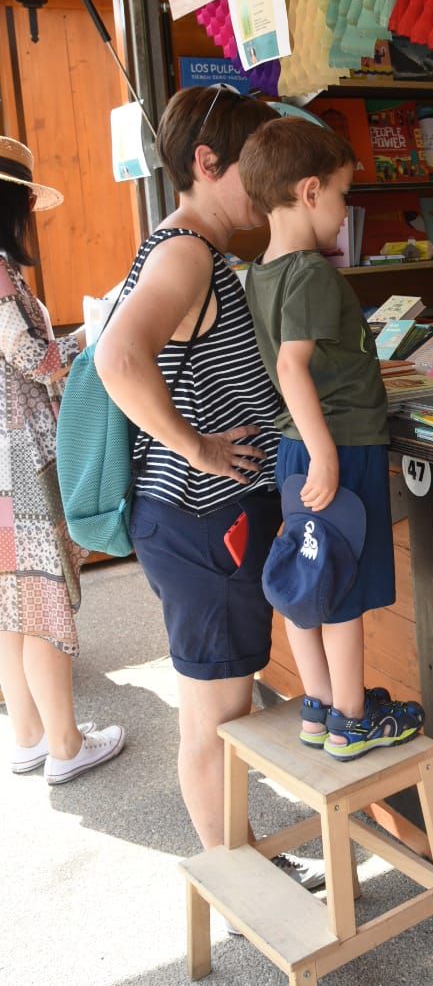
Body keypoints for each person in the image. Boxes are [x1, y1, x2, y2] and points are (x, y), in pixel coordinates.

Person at [94, 87, 317, 884]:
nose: (263, 184)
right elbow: (118, 358)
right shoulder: (187, 252)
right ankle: (241, 877)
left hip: (200, 521)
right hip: (206, 517)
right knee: (214, 717)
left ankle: (244, 858)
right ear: (205, 161)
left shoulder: (184, 245)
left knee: (220, 703)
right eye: (251, 163)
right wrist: (193, 446)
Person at [239, 115, 423, 757]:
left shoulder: (258, 271)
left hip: (301, 446)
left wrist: (310, 450)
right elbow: (292, 364)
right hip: (338, 447)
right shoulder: (312, 273)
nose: (345, 212)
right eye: (344, 195)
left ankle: (318, 708)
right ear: (311, 191)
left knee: (308, 574)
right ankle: (353, 719)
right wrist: (326, 455)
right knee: (343, 586)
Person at [0, 138, 125, 782]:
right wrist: (94, 334)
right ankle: (67, 747)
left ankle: (26, 736)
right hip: (21, 462)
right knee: (45, 597)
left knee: (10, 602)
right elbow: (35, 363)